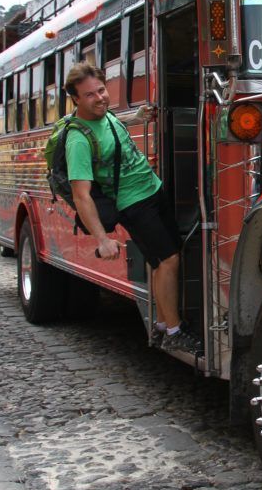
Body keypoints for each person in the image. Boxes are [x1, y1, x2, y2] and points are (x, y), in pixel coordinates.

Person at [63, 61, 201, 354]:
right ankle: (175, 332)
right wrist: (102, 239)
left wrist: (135, 117)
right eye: (89, 95)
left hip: (152, 190)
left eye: (101, 90)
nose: (99, 98)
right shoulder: (77, 139)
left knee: (162, 259)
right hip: (134, 204)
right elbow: (81, 195)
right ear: (75, 99)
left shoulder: (103, 115)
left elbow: (111, 128)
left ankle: (163, 326)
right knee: (168, 261)